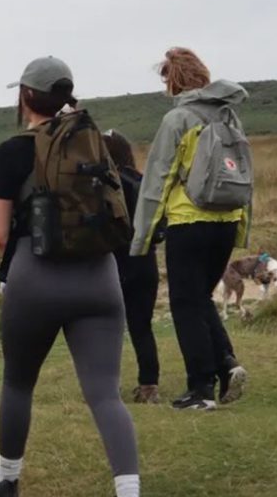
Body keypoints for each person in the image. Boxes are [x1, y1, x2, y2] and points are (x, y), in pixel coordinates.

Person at [0, 56, 141, 497]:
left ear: (26, 95)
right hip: (100, 277)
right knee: (106, 394)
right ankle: (129, 491)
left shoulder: (10, 151)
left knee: (18, 381)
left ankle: (6, 481)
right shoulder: (94, 144)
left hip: (36, 276)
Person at [130, 47, 249, 410]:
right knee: (199, 299)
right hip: (226, 222)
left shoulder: (177, 120)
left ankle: (201, 389)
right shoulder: (230, 117)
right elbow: (244, 173)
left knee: (184, 304)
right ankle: (227, 365)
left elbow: (157, 181)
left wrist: (142, 238)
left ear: (175, 80)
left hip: (188, 221)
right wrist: (242, 225)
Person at [104, 129, 162, 404]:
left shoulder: (108, 184)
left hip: (116, 261)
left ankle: (105, 385)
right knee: (142, 326)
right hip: (146, 259)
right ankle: (149, 384)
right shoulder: (143, 181)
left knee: (107, 327)